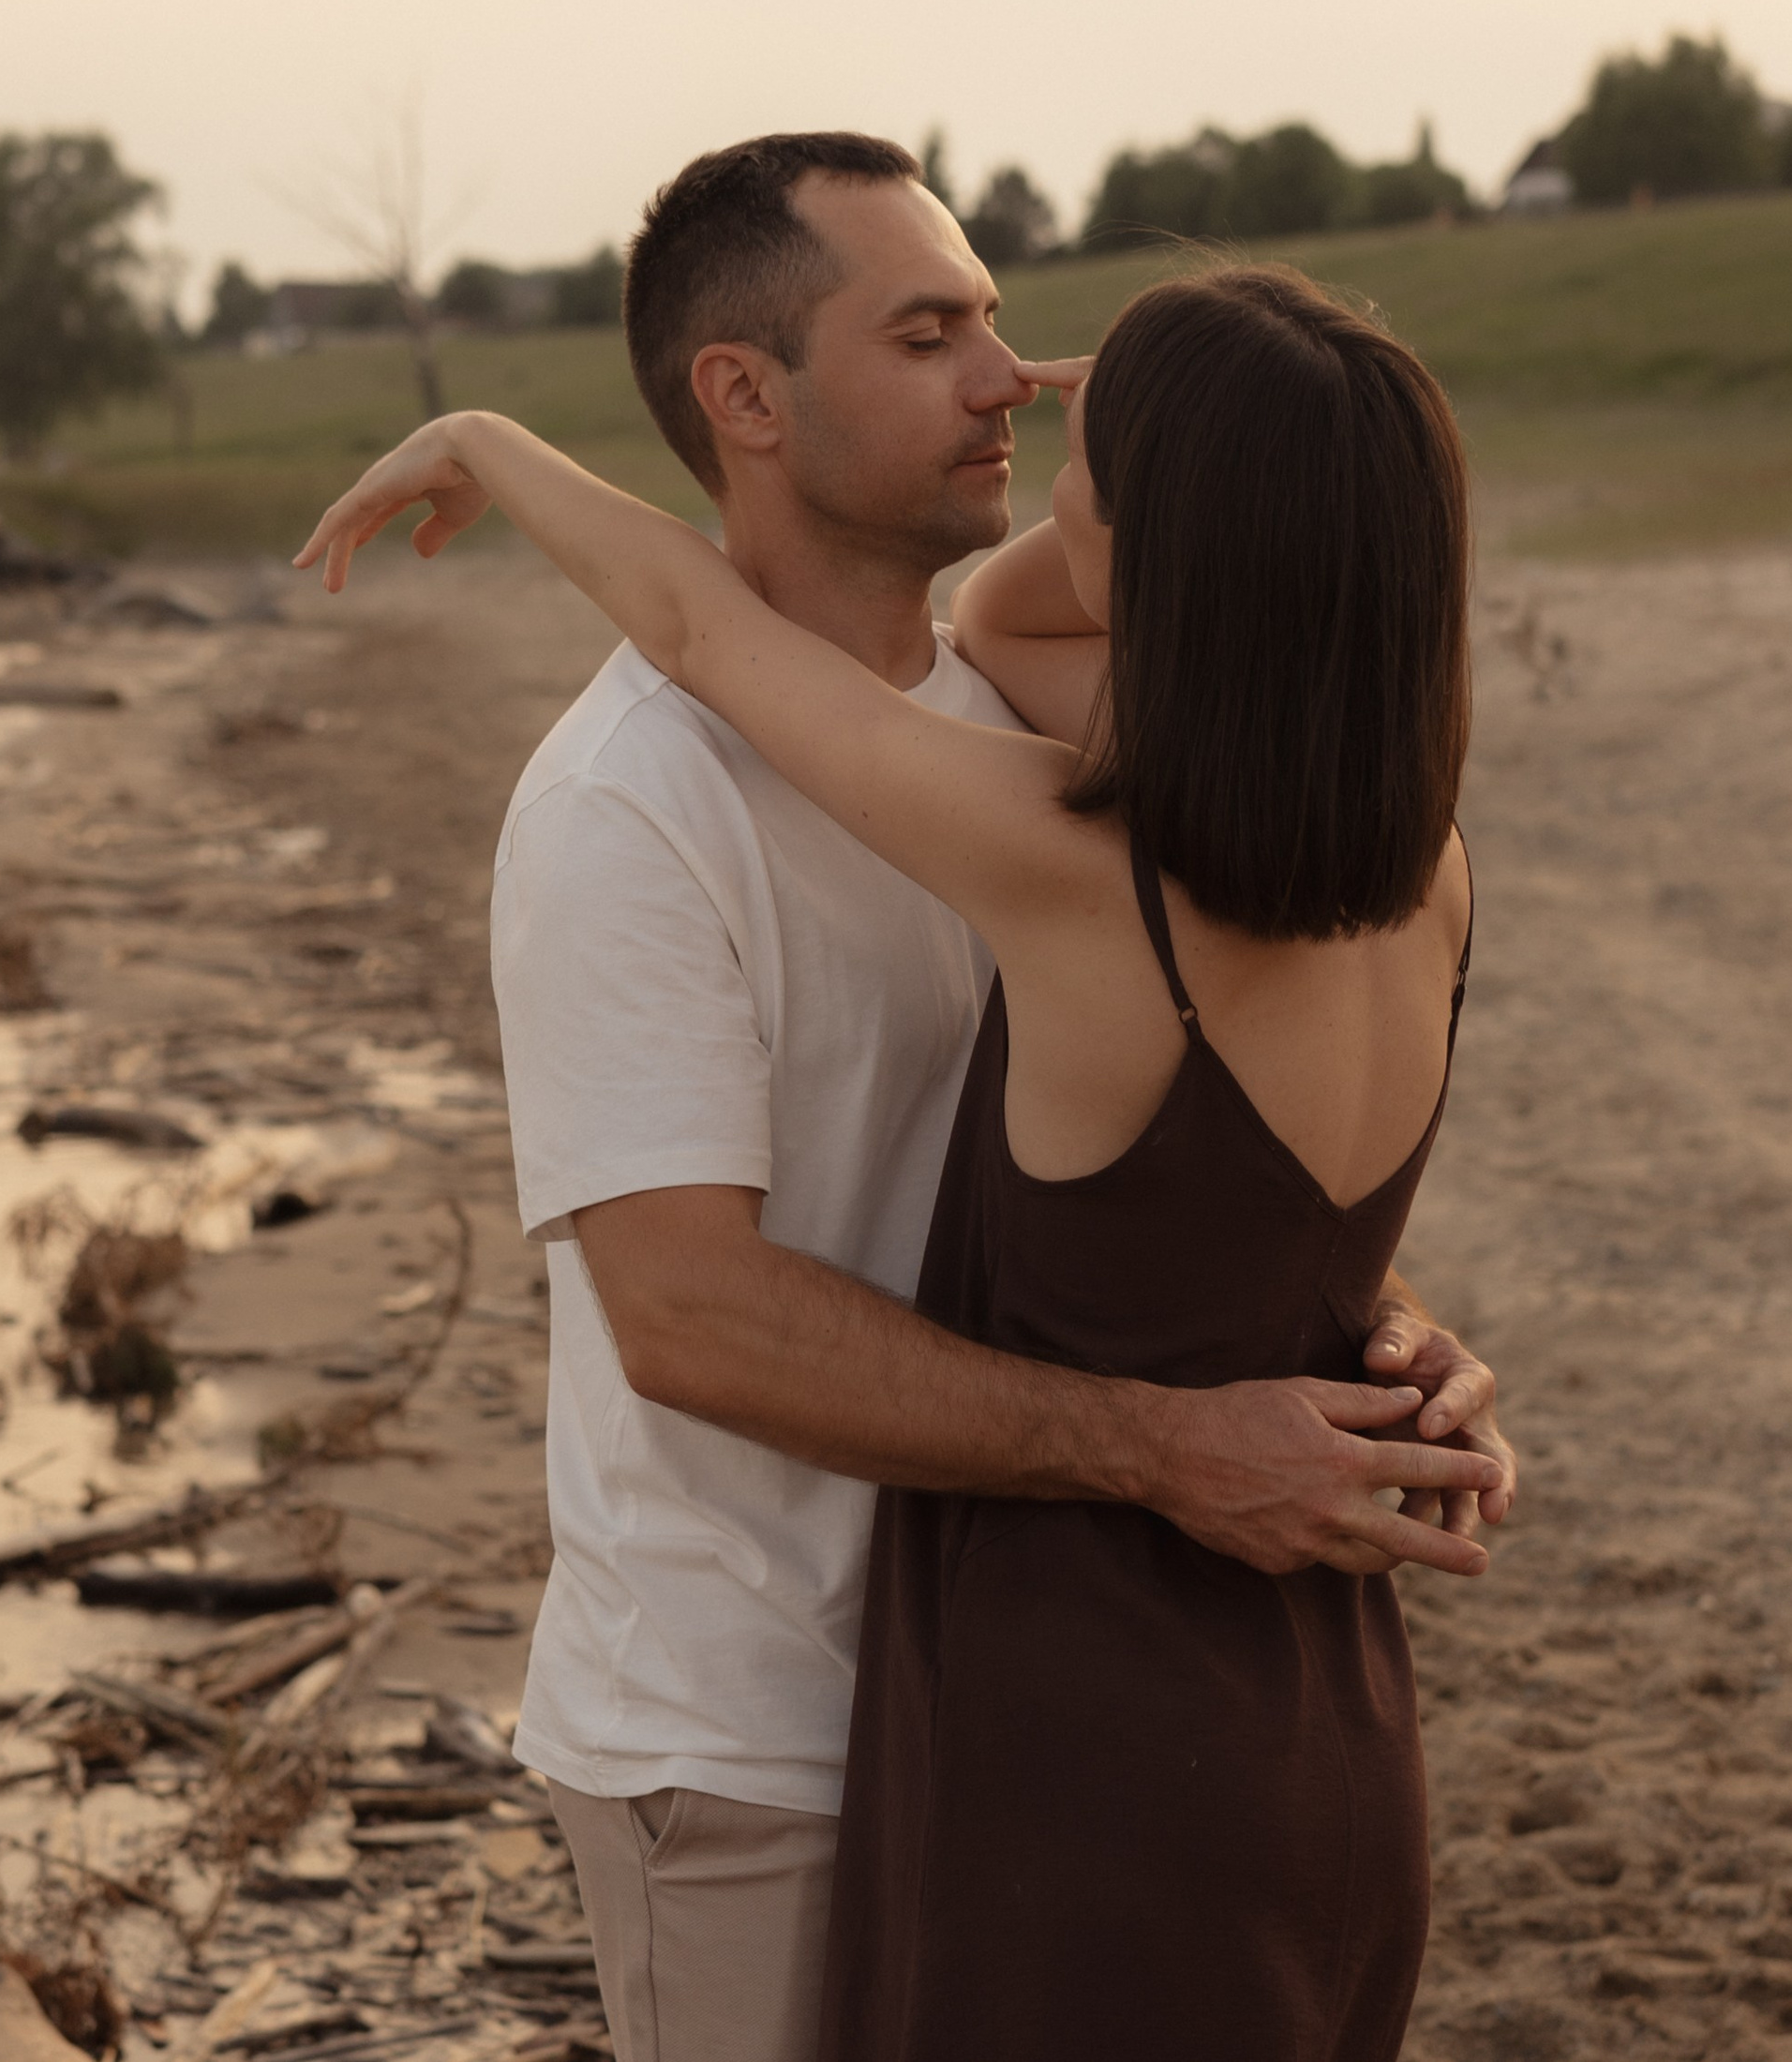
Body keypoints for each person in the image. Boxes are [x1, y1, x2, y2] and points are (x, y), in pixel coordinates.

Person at [297, 137, 1513, 2062]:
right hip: (772, 1727)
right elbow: (686, 1318)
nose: (1005, 386)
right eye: (935, 333)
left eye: (1021, 347)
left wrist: (1373, 1338)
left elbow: (1181, 1206)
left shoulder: (1030, 776)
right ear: (742, 396)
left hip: (1045, 1699)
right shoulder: (642, 808)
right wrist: (1207, 1420)